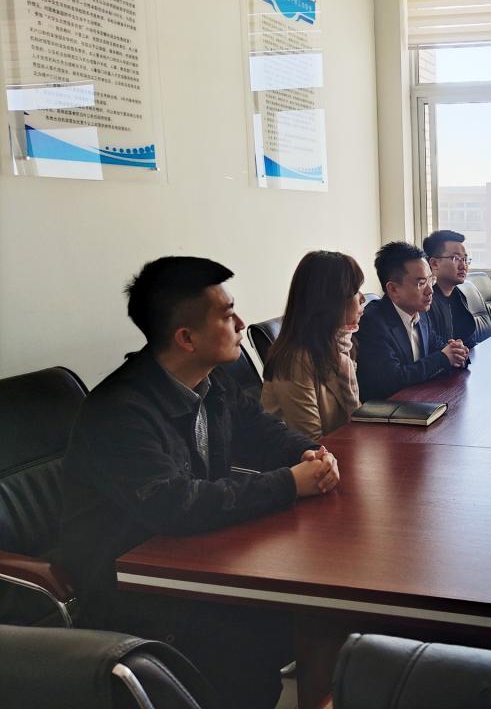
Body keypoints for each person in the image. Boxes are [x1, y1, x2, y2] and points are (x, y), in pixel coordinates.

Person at [58, 256, 340, 709]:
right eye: (227, 315)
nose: (241, 324)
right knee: (278, 629)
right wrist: (289, 483)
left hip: (198, 557)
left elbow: (262, 430)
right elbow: (177, 504)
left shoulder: (213, 380)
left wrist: (309, 454)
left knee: (319, 612)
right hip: (132, 583)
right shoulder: (120, 412)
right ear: (186, 338)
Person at [262, 251, 365, 439]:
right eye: (355, 291)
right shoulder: (295, 359)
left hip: (339, 449)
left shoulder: (340, 345)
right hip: (309, 455)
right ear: (331, 301)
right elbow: (311, 442)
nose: (362, 298)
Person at [356, 241, 469, 400]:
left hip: (419, 401)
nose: (430, 291)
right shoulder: (372, 322)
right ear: (393, 289)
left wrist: (457, 352)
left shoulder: (420, 313)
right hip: (388, 410)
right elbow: (392, 380)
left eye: (431, 280)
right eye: (421, 283)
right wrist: (443, 358)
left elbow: (437, 346)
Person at [424, 229, 477, 348]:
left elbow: (469, 340)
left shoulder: (458, 295)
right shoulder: (426, 301)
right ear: (434, 263)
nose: (463, 266)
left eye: (465, 259)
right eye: (455, 258)